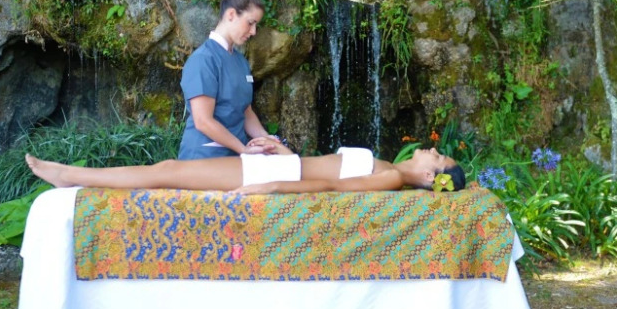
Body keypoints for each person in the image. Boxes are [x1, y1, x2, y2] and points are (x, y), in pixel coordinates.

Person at [25, 145, 466, 194]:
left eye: (438, 158)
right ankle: (70, 174)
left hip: (269, 175)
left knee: (168, 171)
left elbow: (331, 184)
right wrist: (281, 152)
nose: (432, 150)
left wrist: (271, 184)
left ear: (432, 177)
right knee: (168, 168)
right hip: (278, 163)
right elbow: (323, 164)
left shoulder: (391, 177)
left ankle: (69, 175)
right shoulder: (387, 163)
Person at [178, 0, 275, 160]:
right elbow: (203, 121)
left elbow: (245, 111)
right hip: (203, 159)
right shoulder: (203, 60)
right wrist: (243, 149)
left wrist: (267, 140)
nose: (254, 31)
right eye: (250, 23)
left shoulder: (241, 61)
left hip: (235, 158)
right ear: (231, 14)